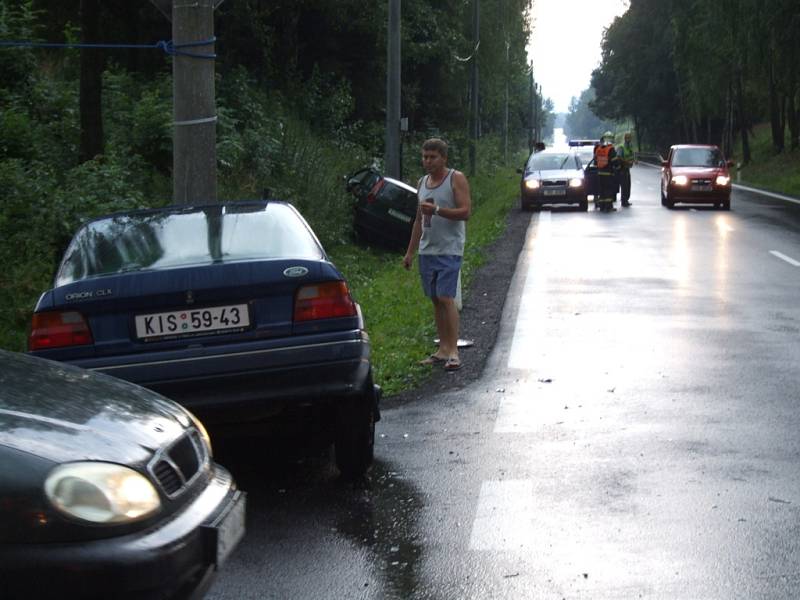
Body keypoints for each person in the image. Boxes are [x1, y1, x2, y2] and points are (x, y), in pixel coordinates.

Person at [403, 138, 472, 372]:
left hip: (449, 248)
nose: (428, 161)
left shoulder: (456, 178)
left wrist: (439, 210)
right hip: (427, 249)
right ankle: (442, 349)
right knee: (435, 299)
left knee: (445, 297)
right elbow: (419, 220)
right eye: (425, 157)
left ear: (444, 158)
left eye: (433, 157)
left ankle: (453, 351)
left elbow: (465, 212)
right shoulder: (422, 182)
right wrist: (410, 252)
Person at [593, 131, 619, 211]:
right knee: (608, 190)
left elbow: (595, 161)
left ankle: (602, 206)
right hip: (608, 173)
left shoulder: (599, 149)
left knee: (602, 190)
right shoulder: (610, 149)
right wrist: (618, 166)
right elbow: (614, 161)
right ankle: (608, 206)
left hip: (600, 173)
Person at [616, 132, 635, 207]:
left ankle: (626, 199)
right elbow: (619, 157)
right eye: (627, 138)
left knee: (628, 185)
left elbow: (631, 156)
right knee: (624, 186)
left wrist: (633, 161)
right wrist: (626, 161)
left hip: (627, 169)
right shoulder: (621, 147)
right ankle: (624, 201)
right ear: (624, 138)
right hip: (622, 169)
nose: (628, 139)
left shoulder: (629, 147)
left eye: (629, 138)